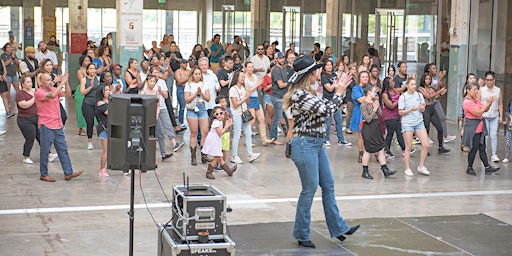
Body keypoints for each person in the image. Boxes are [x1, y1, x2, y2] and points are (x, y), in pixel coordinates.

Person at [283, 55, 359, 248]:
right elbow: (327, 110)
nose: (319, 72)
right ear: (310, 74)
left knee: (328, 184)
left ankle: (338, 228)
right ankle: (302, 233)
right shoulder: (300, 95)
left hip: (315, 144)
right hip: (304, 143)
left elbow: (327, 108)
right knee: (309, 189)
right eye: (316, 70)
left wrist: (338, 92)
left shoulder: (310, 92)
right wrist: (340, 92)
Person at [35, 73, 83, 182]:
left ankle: (68, 172)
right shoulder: (39, 92)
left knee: (63, 149)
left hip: (57, 124)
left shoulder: (53, 88)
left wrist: (65, 81)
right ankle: (43, 174)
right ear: (41, 82)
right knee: (45, 150)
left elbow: (67, 93)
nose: (49, 81)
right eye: (46, 80)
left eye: (50, 79)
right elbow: (52, 95)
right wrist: (61, 82)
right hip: (46, 124)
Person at [462, 83, 500, 176]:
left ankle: (487, 167)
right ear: (468, 90)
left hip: (479, 127)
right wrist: (487, 104)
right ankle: (469, 167)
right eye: (474, 90)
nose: (476, 92)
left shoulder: (475, 100)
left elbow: (484, 109)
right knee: (473, 149)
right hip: (473, 128)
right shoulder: (467, 102)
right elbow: (478, 112)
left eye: (476, 90)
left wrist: (489, 103)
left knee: (482, 148)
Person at [360, 84, 396, 179]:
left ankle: (385, 169)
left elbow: (380, 114)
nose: (375, 93)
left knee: (381, 149)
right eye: (373, 91)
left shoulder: (374, 102)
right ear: (368, 92)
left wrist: (377, 105)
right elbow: (367, 119)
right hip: (369, 128)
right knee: (368, 150)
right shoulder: (363, 104)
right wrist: (374, 109)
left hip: (376, 127)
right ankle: (365, 171)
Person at [398, 78, 430, 177]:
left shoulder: (419, 95)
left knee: (426, 144)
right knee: (408, 146)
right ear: (407, 86)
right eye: (411, 84)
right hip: (408, 123)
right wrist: (410, 109)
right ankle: (407, 168)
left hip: (419, 122)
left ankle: (421, 165)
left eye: (415, 84)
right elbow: (400, 112)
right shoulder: (403, 97)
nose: (414, 86)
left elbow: (422, 108)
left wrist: (422, 107)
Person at [229, 71, 261, 164]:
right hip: (237, 113)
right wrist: (245, 97)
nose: (243, 78)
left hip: (244, 112)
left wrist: (247, 96)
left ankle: (250, 154)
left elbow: (247, 102)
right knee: (237, 134)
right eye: (242, 77)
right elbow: (235, 104)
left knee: (248, 132)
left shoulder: (242, 88)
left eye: (244, 77)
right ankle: (234, 155)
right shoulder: (233, 89)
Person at [418, 73, 450, 154]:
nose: (428, 81)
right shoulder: (420, 89)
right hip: (426, 109)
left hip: (432, 109)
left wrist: (440, 93)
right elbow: (427, 96)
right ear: (423, 80)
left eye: (429, 79)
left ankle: (440, 147)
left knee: (440, 128)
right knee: (426, 129)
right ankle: (425, 148)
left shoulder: (431, 88)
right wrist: (438, 91)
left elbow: (435, 97)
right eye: (426, 79)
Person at [201, 105, 237, 179]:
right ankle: (209, 172)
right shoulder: (216, 122)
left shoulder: (220, 121)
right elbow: (220, 133)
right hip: (213, 140)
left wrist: (227, 119)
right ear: (214, 115)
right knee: (217, 157)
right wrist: (226, 127)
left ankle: (229, 171)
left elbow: (226, 120)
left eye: (221, 113)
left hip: (216, 140)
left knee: (220, 157)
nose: (219, 115)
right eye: (217, 114)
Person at [321, 59, 350, 146]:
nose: (329, 67)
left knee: (338, 120)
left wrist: (338, 83)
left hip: (336, 100)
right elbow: (329, 88)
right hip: (327, 100)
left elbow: (340, 86)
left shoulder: (334, 74)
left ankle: (341, 139)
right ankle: (326, 139)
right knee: (328, 121)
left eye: (330, 65)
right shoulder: (324, 77)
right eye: (327, 65)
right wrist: (336, 83)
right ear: (324, 67)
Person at [244, 61, 274, 146]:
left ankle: (264, 139)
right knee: (252, 121)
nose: (251, 68)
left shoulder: (254, 76)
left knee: (262, 119)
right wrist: (257, 85)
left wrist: (261, 85)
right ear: (245, 68)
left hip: (256, 98)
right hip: (250, 99)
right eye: (249, 67)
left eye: (252, 67)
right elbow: (248, 91)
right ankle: (247, 140)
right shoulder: (245, 78)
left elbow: (259, 88)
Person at [185, 68, 211, 165]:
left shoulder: (204, 84)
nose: (197, 75)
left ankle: (204, 155)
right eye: (196, 74)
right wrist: (196, 94)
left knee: (205, 132)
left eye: (199, 74)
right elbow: (186, 99)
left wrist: (202, 93)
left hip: (202, 107)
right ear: (192, 75)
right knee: (194, 133)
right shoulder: (189, 84)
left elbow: (208, 98)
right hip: (192, 108)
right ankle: (193, 156)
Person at [480, 71, 503, 162]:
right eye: (487, 80)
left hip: (494, 115)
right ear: (485, 81)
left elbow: (500, 103)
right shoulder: (482, 90)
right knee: (485, 135)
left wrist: (501, 116)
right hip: (484, 115)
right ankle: (484, 153)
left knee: (493, 135)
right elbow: (478, 102)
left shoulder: (498, 90)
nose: (489, 82)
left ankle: (494, 154)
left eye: (491, 80)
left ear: (494, 80)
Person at [382, 76, 405, 158]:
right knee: (390, 134)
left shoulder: (395, 90)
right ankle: (387, 150)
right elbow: (390, 106)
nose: (393, 83)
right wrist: (399, 100)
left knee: (399, 132)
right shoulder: (385, 94)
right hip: (389, 116)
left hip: (397, 115)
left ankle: (404, 149)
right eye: (391, 82)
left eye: (393, 82)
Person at [350, 71, 370, 163]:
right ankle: (361, 153)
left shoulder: (370, 87)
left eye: (366, 77)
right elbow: (362, 100)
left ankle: (370, 152)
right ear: (359, 78)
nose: (365, 78)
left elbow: (377, 98)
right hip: (360, 112)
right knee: (361, 134)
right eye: (363, 77)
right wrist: (371, 96)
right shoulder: (356, 88)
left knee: (370, 134)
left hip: (370, 111)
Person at [269, 52, 289, 145]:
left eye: (283, 58)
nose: (282, 60)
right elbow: (280, 85)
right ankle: (273, 138)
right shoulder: (276, 70)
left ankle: (291, 135)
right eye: (280, 58)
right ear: (276, 59)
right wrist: (290, 83)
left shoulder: (284, 68)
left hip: (284, 97)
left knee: (288, 117)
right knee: (277, 118)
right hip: (277, 97)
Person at [80, 63, 100, 150]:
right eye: (90, 68)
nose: (92, 70)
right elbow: (82, 92)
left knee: (101, 122)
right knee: (90, 122)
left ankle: (104, 139)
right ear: (87, 70)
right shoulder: (84, 80)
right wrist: (91, 87)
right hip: (87, 103)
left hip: (97, 103)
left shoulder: (98, 79)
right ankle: (90, 142)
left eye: (94, 68)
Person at [75, 55, 93, 136]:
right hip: (81, 91)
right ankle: (81, 129)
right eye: (85, 61)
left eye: (89, 61)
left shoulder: (92, 70)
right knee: (81, 110)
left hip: (91, 91)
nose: (87, 62)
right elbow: (82, 80)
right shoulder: (80, 71)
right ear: (82, 62)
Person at [95, 83, 110, 177]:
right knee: (106, 151)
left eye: (109, 90)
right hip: (104, 129)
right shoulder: (100, 103)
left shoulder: (111, 101)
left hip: (112, 128)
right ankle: (102, 169)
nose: (108, 92)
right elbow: (109, 112)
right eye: (106, 90)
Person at [175, 59, 190, 126]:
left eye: (186, 63)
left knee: (189, 105)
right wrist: (187, 78)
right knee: (182, 105)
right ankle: (181, 121)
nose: (185, 65)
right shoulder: (178, 71)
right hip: (181, 88)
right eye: (184, 63)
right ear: (181, 64)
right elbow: (179, 81)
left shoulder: (189, 71)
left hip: (188, 88)